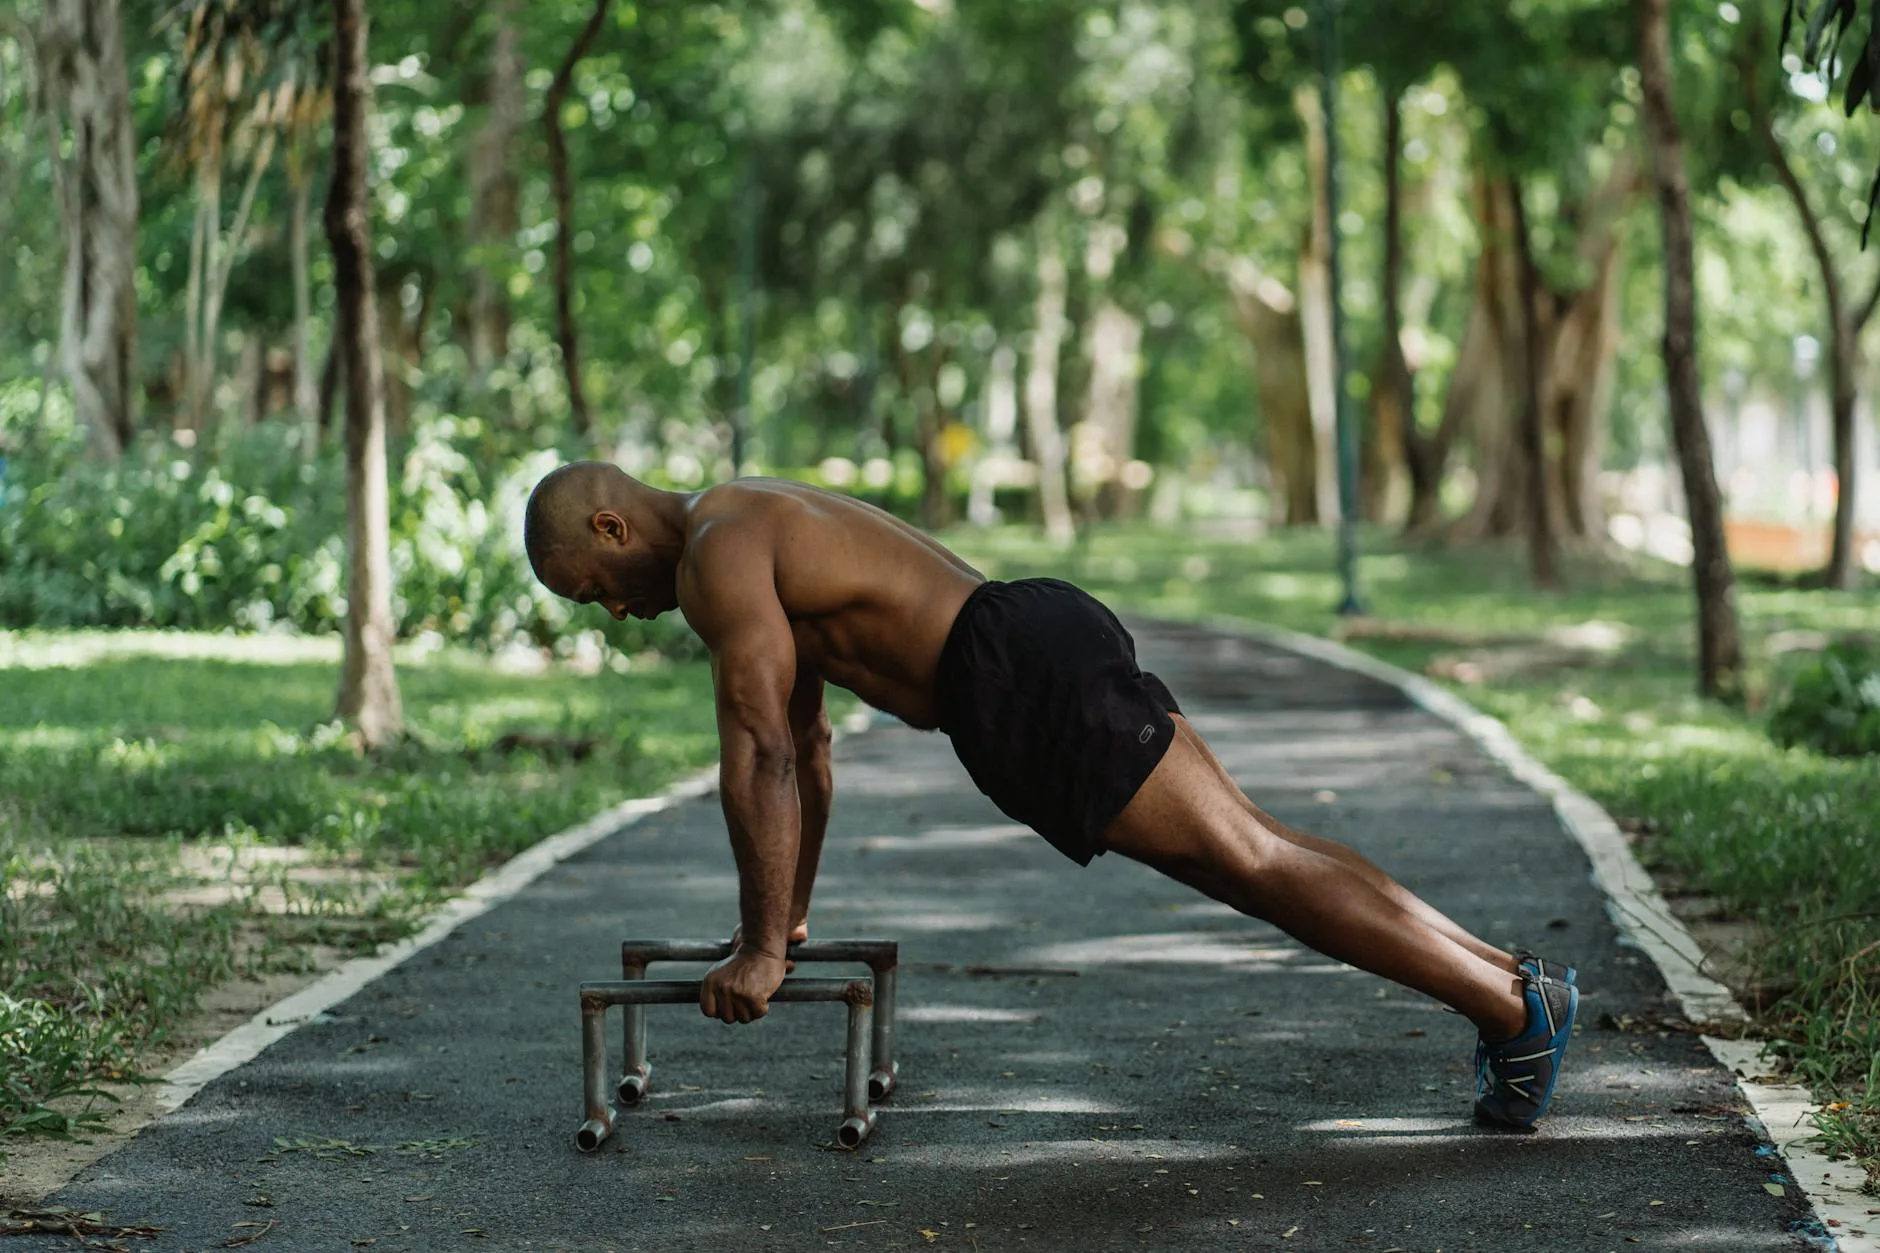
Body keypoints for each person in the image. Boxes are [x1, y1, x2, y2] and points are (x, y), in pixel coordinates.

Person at [523, 461, 1580, 1130]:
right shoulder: (742, 516)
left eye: (592, 590)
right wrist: (783, 922)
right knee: (1257, 845)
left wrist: (755, 952)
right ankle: (1510, 981)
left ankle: (1507, 1007)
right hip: (1021, 647)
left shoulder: (716, 554)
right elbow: (806, 744)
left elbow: (759, 754)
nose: (614, 614)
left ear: (611, 528)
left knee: (1252, 865)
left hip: (1013, 674)